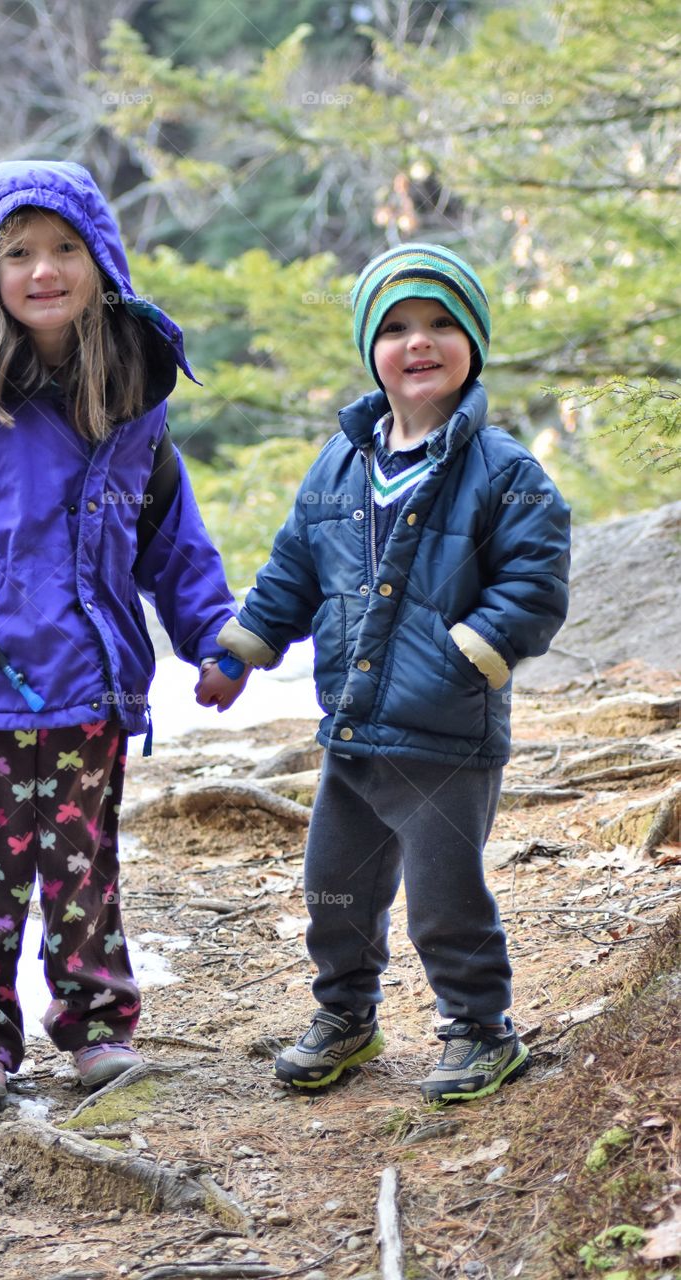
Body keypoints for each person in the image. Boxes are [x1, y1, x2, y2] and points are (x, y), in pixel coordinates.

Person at [0, 160, 248, 1105]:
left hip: (90, 681)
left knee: (82, 873)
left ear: (101, 261)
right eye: (18, 251)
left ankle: (97, 1024)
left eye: (65, 248)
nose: (43, 270)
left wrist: (214, 635)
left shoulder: (132, 394)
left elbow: (169, 534)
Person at [217, 243, 571, 1103]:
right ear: (370, 350)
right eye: (397, 328)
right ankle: (345, 1015)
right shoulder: (341, 465)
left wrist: (464, 659)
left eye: (442, 324)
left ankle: (480, 1028)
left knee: (444, 901)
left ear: (473, 345)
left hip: (446, 735)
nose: (420, 343)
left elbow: (533, 586)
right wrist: (243, 649)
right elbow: (292, 570)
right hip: (353, 726)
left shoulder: (504, 470)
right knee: (335, 888)